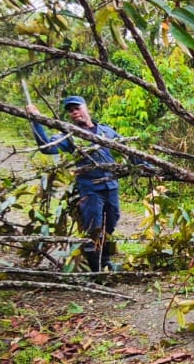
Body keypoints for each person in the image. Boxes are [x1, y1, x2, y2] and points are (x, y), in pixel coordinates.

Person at [27, 95, 136, 272]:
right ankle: (96, 271)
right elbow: (47, 147)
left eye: (77, 108)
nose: (74, 112)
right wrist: (36, 120)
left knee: (110, 224)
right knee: (93, 229)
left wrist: (148, 168)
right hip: (90, 190)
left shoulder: (106, 131)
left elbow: (128, 151)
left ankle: (105, 261)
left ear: (86, 107)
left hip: (111, 187)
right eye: (70, 111)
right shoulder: (70, 135)